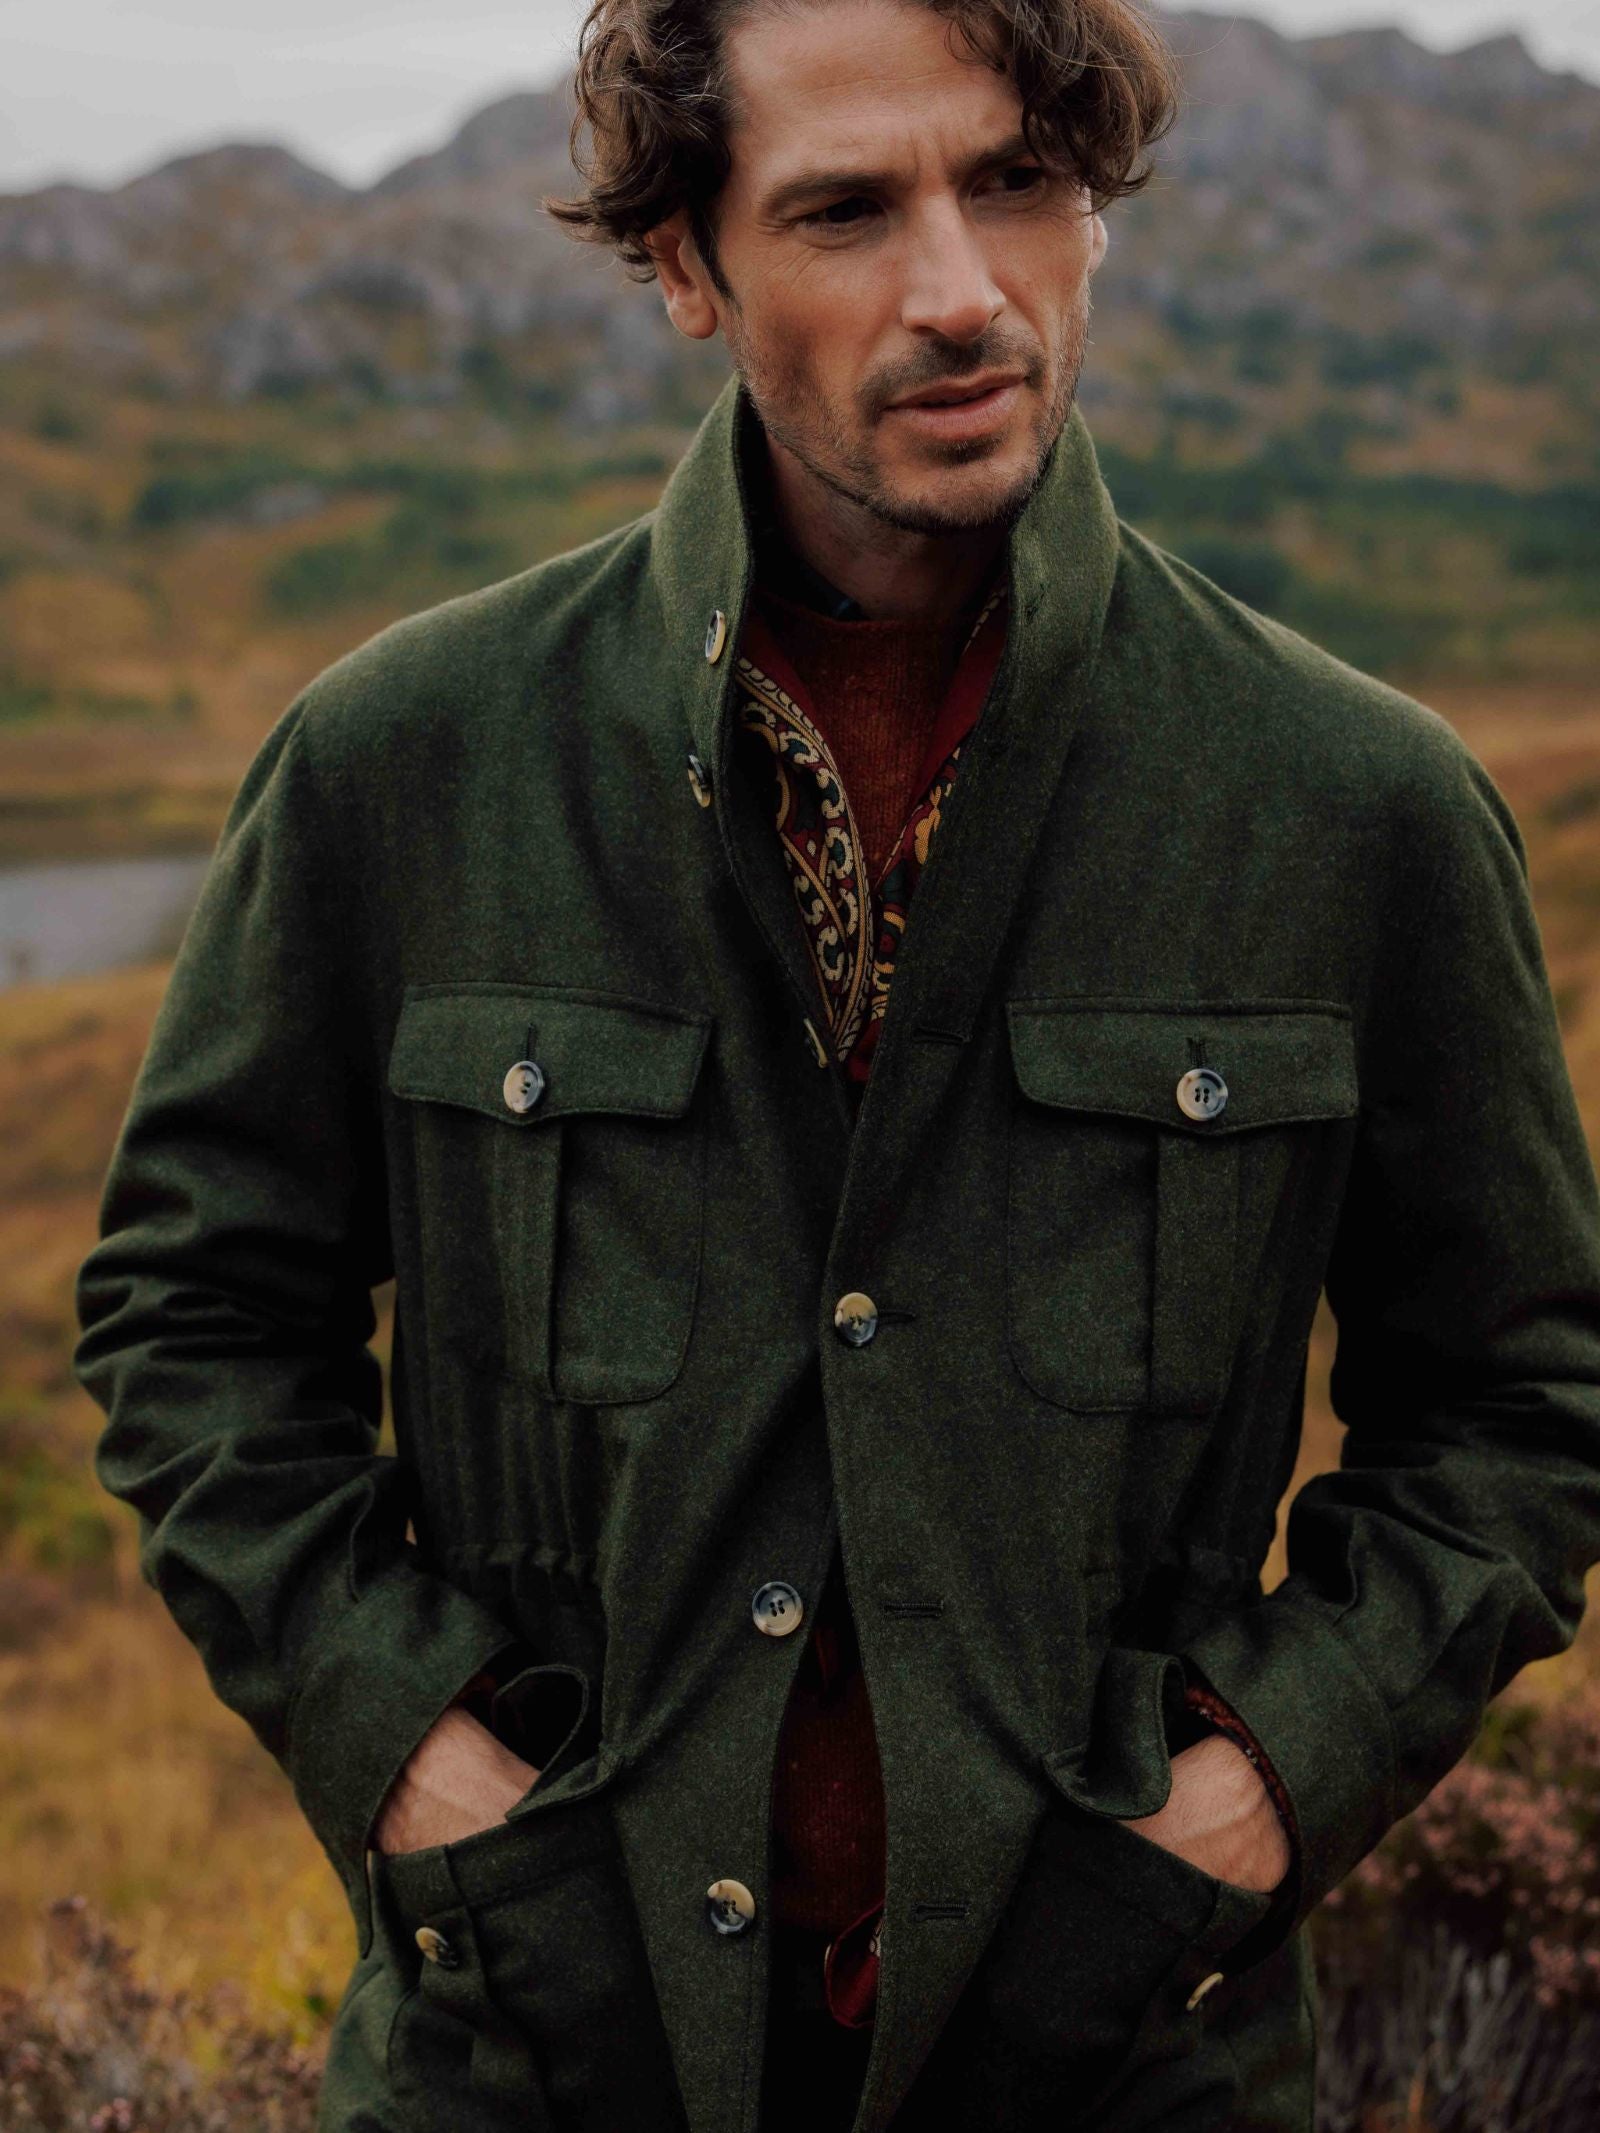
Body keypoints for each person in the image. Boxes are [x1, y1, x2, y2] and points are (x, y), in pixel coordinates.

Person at [72, 2, 1600, 2130]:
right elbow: (195, 1319)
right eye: (845, 211)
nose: (960, 288)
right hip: (530, 2067)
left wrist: (1257, 1785)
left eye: (1016, 182)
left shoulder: (1359, 806)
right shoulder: (395, 767)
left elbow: (1521, 1405)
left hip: (1123, 2069)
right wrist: (409, 1745)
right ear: (684, 264)